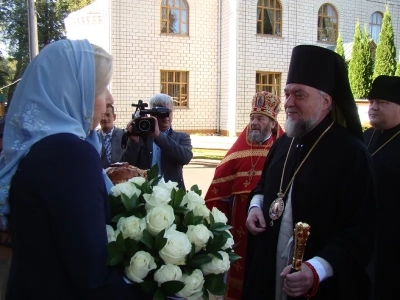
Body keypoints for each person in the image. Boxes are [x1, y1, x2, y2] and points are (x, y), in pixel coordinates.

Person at [0, 40, 145, 299]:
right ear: (74, 91)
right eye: (102, 88)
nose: (109, 99)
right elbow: (91, 277)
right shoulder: (69, 153)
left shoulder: (37, 148)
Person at [242, 45, 376, 300]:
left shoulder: (351, 153)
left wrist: (317, 269)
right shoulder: (283, 142)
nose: (288, 103)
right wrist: (256, 207)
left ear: (325, 101)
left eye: (299, 95)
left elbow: (362, 231)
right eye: (287, 94)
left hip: (320, 286)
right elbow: (263, 187)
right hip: (268, 274)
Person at [204, 91, 283, 300]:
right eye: (252, 118)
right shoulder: (239, 150)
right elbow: (220, 184)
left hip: (268, 222)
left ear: (273, 123)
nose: (254, 123)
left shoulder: (281, 149)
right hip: (238, 223)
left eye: (260, 118)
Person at [364, 75, 400, 300]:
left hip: (393, 239)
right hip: (363, 234)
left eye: (382, 103)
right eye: (371, 102)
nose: (373, 108)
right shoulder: (365, 136)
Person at [120, 93, 192, 189]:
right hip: (145, 192)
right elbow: (126, 165)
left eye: (169, 112)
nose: (166, 117)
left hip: (172, 194)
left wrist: (158, 136)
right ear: (152, 113)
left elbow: (185, 158)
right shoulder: (142, 137)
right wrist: (134, 142)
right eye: (162, 113)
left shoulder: (181, 137)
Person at [98, 103, 125, 168]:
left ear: (114, 117)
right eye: (102, 115)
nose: (104, 118)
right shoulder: (94, 137)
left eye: (108, 115)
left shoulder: (123, 135)